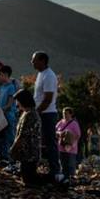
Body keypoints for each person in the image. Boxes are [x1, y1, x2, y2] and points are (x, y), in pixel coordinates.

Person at [31, 51, 62, 181]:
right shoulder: (40, 74)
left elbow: (48, 98)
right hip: (42, 113)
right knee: (41, 143)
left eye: (34, 60)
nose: (32, 62)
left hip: (47, 114)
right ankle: (44, 169)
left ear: (42, 61)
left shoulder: (49, 76)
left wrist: (36, 112)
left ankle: (55, 171)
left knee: (50, 143)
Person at [11, 90, 43, 187]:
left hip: (30, 152)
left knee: (28, 179)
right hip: (27, 152)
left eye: (18, 101)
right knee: (26, 176)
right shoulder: (27, 113)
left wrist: (14, 147)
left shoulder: (30, 115)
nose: (17, 104)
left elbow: (22, 135)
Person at [0, 65, 17, 167]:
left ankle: (11, 158)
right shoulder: (1, 86)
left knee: (9, 137)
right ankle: (2, 156)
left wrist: (1, 110)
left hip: (8, 116)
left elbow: (10, 103)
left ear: (6, 75)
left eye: (0, 74)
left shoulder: (11, 87)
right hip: (0, 115)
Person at [56, 107, 81, 181]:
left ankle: (71, 180)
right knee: (62, 165)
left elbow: (78, 135)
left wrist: (70, 140)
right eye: (63, 113)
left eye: (66, 113)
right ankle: (64, 180)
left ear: (71, 114)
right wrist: (60, 134)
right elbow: (55, 131)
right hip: (61, 147)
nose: (64, 115)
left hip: (71, 149)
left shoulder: (74, 124)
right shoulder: (60, 122)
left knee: (70, 165)